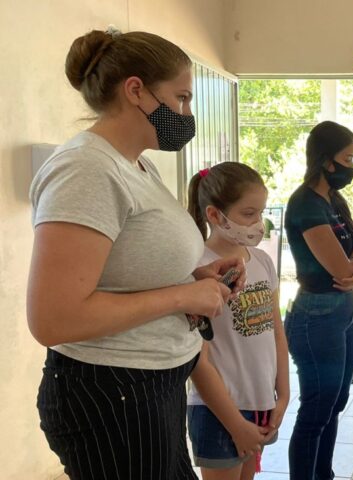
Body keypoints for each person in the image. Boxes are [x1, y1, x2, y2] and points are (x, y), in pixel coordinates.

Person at [28, 28, 245, 480]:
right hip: (114, 393)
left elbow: (126, 272)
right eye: (182, 98)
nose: (187, 113)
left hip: (151, 384)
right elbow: (54, 319)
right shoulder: (86, 169)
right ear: (135, 91)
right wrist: (183, 297)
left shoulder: (137, 165)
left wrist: (198, 277)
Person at [185, 162, 290, 480]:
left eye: (260, 213)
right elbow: (198, 360)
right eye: (248, 213)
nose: (258, 223)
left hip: (260, 403)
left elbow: (276, 332)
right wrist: (234, 423)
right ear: (215, 215)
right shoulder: (197, 269)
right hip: (218, 410)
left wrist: (283, 395)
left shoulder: (263, 261)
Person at [283, 121, 353, 479]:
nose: (351, 166)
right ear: (325, 160)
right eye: (347, 158)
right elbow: (341, 268)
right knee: (316, 412)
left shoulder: (334, 200)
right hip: (315, 318)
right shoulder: (305, 204)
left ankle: (324, 475)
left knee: (334, 405)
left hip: (342, 315)